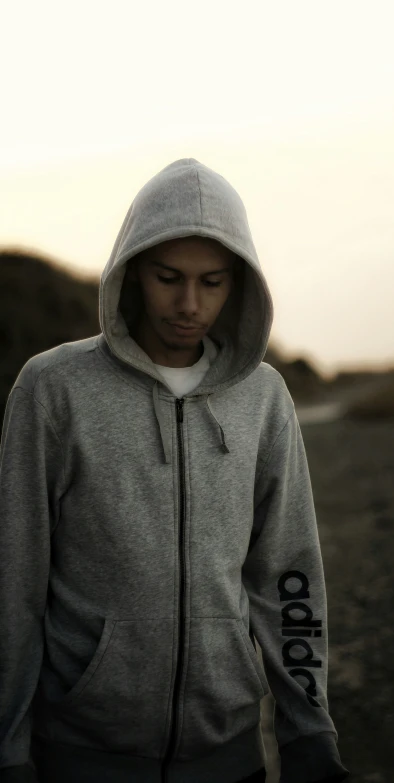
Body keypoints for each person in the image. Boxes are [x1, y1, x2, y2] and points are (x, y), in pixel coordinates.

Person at [0, 158, 349, 783]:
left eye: (212, 282)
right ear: (131, 270)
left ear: (238, 284)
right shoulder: (53, 389)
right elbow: (14, 578)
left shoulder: (263, 398)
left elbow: (288, 571)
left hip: (229, 752)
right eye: (169, 278)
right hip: (81, 755)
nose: (189, 304)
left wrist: (309, 727)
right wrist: (8, 744)